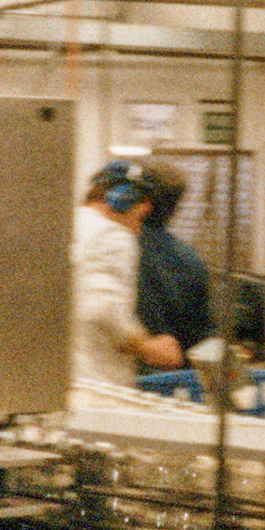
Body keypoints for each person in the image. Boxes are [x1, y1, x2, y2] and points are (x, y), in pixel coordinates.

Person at [73, 161, 183, 387]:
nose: (138, 229)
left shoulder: (68, 226)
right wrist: (148, 347)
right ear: (122, 200)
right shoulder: (112, 235)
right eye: (141, 217)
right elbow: (102, 308)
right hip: (99, 384)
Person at [134, 161, 215, 361]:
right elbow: (201, 337)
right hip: (170, 373)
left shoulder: (114, 247)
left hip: (123, 369)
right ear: (175, 208)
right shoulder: (189, 260)